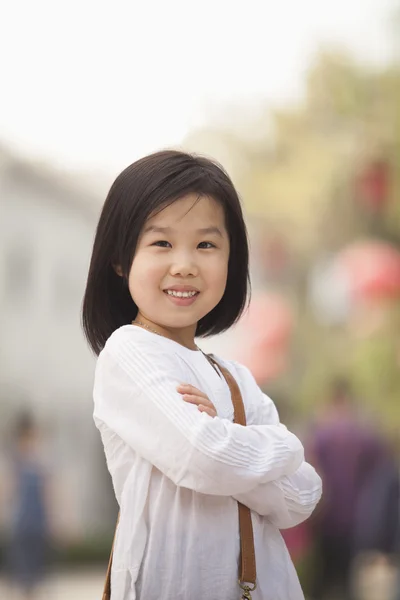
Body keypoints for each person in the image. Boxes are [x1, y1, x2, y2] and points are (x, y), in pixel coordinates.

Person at [82, 150, 322, 600]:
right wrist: (284, 444)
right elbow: (203, 457)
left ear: (231, 260)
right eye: (161, 243)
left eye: (206, 245)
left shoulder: (233, 375)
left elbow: (302, 497)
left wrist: (227, 439)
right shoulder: (129, 352)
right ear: (120, 259)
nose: (185, 264)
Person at [308, 378, 388, 600]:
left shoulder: (322, 435)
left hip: (325, 515)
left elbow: (310, 472)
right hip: (355, 517)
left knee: (322, 577)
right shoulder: (365, 435)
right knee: (348, 580)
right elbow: (380, 474)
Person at [5, 413, 50, 600]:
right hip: (21, 518)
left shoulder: (41, 460)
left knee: (36, 562)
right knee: (22, 565)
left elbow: (49, 489)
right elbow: (8, 487)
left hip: (37, 518)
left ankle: (31, 591)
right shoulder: (14, 460)